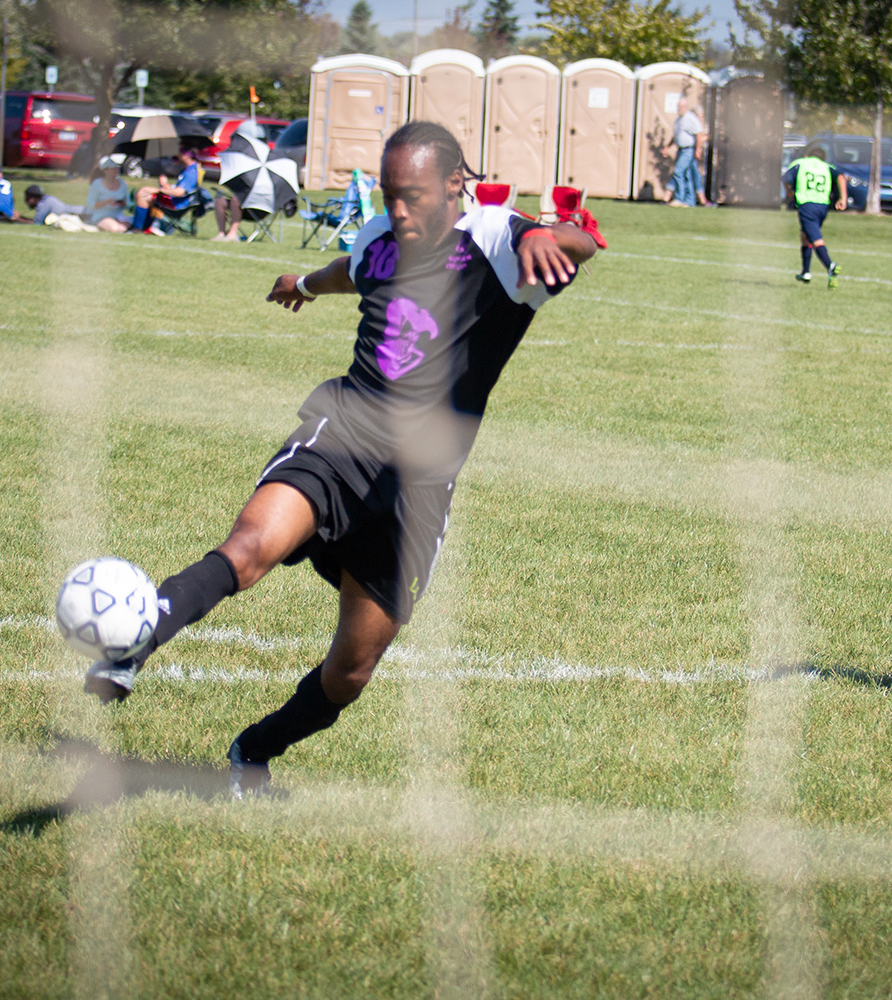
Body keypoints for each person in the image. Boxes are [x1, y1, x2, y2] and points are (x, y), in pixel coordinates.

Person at [80, 121, 603, 784]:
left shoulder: (496, 241)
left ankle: (254, 751)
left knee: (350, 671)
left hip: (419, 487)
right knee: (249, 548)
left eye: (412, 195)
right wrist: (302, 280)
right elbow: (347, 271)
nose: (398, 210)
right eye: (389, 195)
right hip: (346, 431)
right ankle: (136, 641)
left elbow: (577, 243)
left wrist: (539, 231)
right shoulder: (380, 237)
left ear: (454, 186)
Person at [782, 144, 848, 288]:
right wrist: (843, 198)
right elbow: (841, 177)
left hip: (807, 204)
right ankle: (806, 272)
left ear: (807, 156)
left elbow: (786, 179)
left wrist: (789, 193)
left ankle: (830, 265)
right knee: (805, 236)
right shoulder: (827, 167)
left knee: (816, 239)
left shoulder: (800, 163)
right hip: (823, 206)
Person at [130, 146, 201, 235]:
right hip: (175, 200)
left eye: (180, 152)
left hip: (177, 204)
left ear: (186, 155)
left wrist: (159, 190)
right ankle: (146, 226)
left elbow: (179, 192)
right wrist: (164, 185)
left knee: (143, 193)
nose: (177, 154)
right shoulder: (187, 169)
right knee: (146, 192)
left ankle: (137, 228)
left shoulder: (191, 173)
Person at [668, 97, 706, 208]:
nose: (680, 108)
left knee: (678, 172)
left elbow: (698, 134)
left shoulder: (690, 118)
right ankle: (689, 201)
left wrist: (697, 150)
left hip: (688, 150)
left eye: (682, 106)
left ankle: (680, 198)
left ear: (686, 107)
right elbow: (676, 135)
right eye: (678, 106)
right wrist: (668, 147)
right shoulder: (678, 119)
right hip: (681, 150)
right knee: (687, 175)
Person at [85, 155, 132, 233]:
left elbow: (128, 205)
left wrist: (123, 203)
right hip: (101, 217)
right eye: (113, 169)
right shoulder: (97, 184)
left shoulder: (123, 183)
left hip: (119, 217)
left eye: (116, 168)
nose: (115, 171)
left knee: (123, 227)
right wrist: (106, 202)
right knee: (115, 228)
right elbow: (90, 205)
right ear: (105, 170)